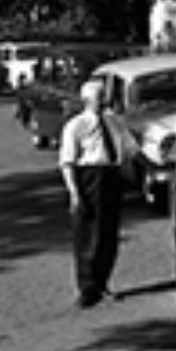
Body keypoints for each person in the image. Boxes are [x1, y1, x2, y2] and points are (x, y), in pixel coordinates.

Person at [58, 79, 122, 308]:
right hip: (88, 176)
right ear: (87, 100)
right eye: (99, 97)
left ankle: (103, 282)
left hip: (110, 175)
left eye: (104, 96)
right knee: (87, 234)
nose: (103, 101)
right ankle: (87, 288)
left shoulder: (113, 120)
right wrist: (74, 192)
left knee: (108, 232)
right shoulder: (76, 126)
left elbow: (126, 146)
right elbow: (67, 162)